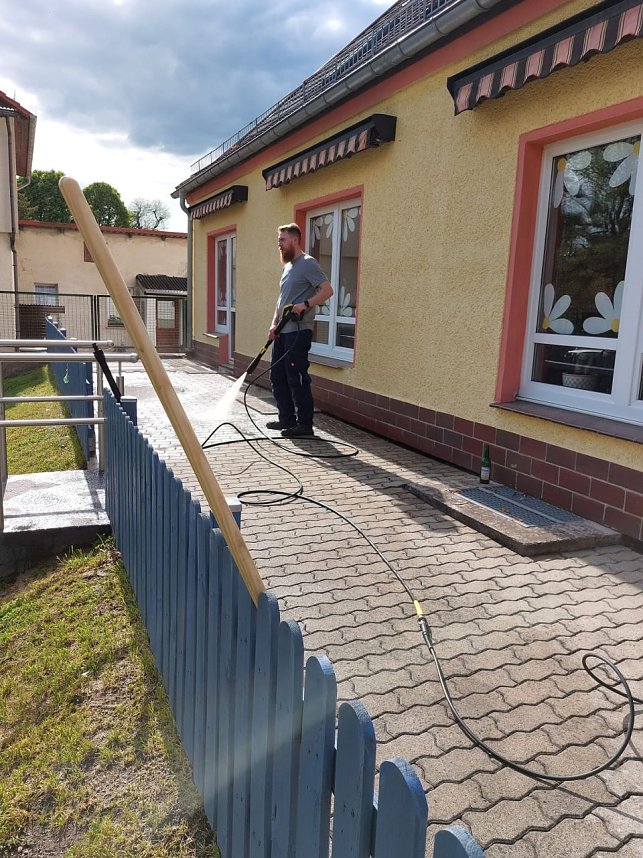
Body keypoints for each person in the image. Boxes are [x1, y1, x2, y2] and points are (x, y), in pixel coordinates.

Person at [266, 223, 333, 438]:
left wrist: (305, 304)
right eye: (279, 240)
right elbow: (281, 300)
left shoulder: (308, 263)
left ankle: (305, 425)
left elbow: (327, 290)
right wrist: (273, 324)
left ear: (294, 240)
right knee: (278, 376)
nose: (279, 244)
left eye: (282, 240)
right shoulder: (288, 267)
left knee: (296, 377)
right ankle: (286, 419)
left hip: (298, 332)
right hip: (282, 331)